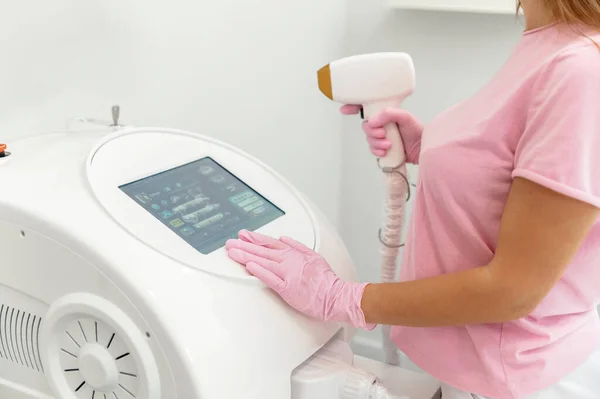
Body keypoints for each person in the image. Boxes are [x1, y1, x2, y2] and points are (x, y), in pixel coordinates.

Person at [226, 0, 600, 397]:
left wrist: (343, 298)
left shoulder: (583, 70)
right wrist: (435, 151)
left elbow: (513, 290)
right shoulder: (549, 39)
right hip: (479, 367)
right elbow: (513, 168)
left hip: (517, 378)